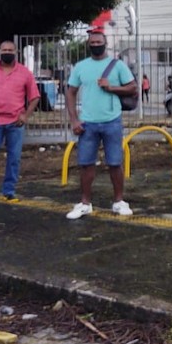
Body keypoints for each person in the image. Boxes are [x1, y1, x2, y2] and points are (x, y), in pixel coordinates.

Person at [65, 27, 138, 220]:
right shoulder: (80, 66)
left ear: (106, 43)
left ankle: (119, 201)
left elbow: (133, 87)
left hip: (112, 121)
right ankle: (85, 203)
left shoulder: (118, 65)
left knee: (115, 163)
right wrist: (74, 119)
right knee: (86, 164)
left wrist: (111, 87)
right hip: (87, 123)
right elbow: (70, 92)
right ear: (88, 45)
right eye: (92, 43)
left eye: (99, 42)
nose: (96, 45)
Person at [0, 41, 41, 204]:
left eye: (10, 50)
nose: (7, 52)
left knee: (14, 158)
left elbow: (35, 97)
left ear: (16, 52)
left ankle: (9, 190)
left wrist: (26, 115)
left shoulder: (25, 73)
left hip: (15, 121)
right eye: (4, 50)